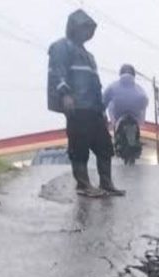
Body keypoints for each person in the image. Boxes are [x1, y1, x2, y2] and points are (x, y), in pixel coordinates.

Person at [48, 9, 125, 197]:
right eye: (83, 29)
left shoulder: (89, 56)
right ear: (74, 28)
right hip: (77, 107)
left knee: (105, 146)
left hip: (94, 109)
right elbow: (58, 72)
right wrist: (65, 94)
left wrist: (102, 110)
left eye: (89, 30)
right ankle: (83, 184)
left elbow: (96, 85)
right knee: (79, 146)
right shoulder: (61, 47)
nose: (86, 33)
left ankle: (106, 183)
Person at [103, 64, 149, 165]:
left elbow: (104, 100)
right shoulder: (138, 88)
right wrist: (142, 120)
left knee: (111, 107)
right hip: (135, 118)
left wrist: (102, 113)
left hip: (119, 117)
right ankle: (134, 142)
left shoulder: (113, 86)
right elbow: (145, 101)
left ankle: (117, 142)